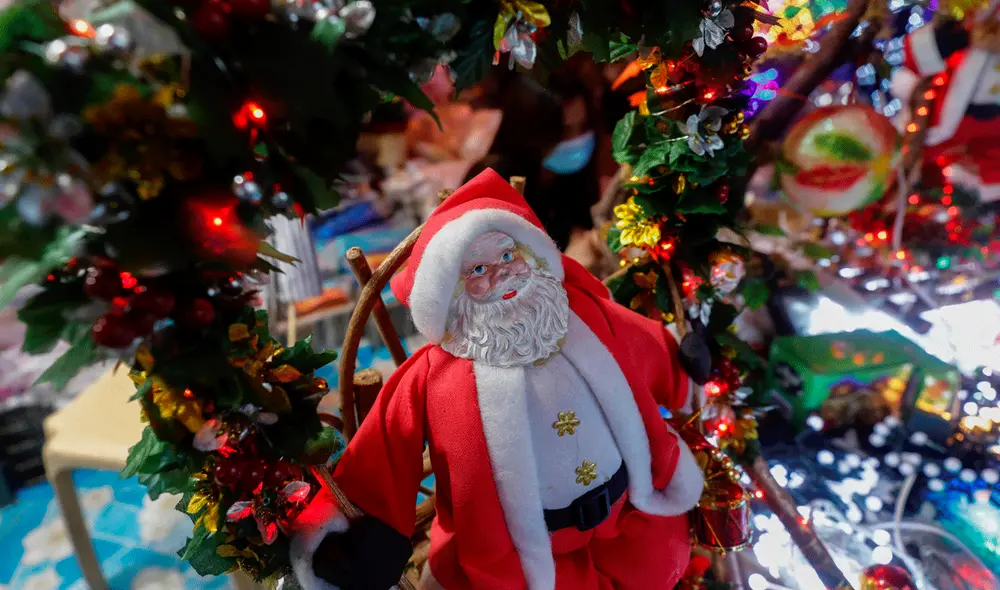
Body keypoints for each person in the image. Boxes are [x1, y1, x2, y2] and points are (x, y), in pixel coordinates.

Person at [289, 169, 703, 590]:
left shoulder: (582, 314)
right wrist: (356, 537)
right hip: (519, 559)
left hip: (629, 515)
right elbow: (385, 448)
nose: (502, 273)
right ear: (450, 291)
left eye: (508, 256)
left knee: (657, 564)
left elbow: (641, 345)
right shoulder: (435, 379)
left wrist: (684, 366)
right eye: (479, 269)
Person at [466, 68, 602, 250]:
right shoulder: (493, 184)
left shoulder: (572, 181)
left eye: (583, 127)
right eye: (565, 132)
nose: (577, 141)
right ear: (532, 132)